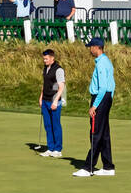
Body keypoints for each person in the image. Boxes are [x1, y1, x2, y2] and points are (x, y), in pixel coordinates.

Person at [72, 37, 115, 177]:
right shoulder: (106, 61)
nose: (90, 49)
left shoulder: (102, 63)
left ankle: (88, 167)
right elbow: (111, 86)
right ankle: (108, 166)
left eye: (91, 46)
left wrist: (95, 105)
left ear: (97, 47)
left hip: (100, 98)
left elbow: (102, 87)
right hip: (106, 98)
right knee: (104, 134)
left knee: (95, 132)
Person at [38, 48, 66, 158]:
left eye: (46, 59)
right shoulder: (45, 68)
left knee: (56, 125)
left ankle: (58, 149)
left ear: (52, 58)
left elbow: (61, 87)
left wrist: (55, 101)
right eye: (44, 59)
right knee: (48, 125)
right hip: (45, 100)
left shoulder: (59, 70)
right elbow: (44, 84)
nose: (44, 61)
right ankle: (50, 148)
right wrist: (41, 98)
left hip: (55, 101)